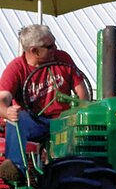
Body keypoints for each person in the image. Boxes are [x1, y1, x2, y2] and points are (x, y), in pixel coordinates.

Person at [0, 24, 88, 175]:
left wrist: (82, 110)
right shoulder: (16, 68)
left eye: (54, 43)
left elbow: (82, 91)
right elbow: (3, 98)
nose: (55, 48)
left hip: (64, 121)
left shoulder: (62, 58)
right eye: (50, 46)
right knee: (17, 118)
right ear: (34, 50)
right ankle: (16, 168)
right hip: (36, 122)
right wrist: (7, 112)